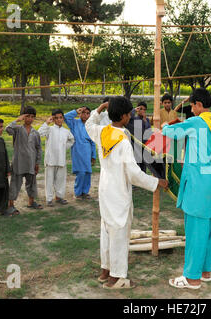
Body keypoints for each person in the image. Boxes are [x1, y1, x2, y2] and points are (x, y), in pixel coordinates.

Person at [86, 96, 168, 289]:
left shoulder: (102, 131)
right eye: (129, 113)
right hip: (119, 190)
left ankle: (105, 270)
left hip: (106, 188)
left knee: (107, 230)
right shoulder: (122, 141)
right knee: (120, 232)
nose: (131, 115)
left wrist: (100, 108)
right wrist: (156, 182)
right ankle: (117, 278)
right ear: (123, 116)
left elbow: (89, 124)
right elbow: (133, 173)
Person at [163, 88, 211, 290]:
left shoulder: (197, 122)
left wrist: (163, 125)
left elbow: (169, 132)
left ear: (198, 105)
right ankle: (205, 271)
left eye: (192, 105)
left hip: (199, 184)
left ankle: (191, 278)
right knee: (206, 230)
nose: (191, 108)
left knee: (195, 232)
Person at [6, 106, 43, 214]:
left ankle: (31, 202)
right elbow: (7, 129)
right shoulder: (17, 129)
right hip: (18, 162)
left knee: (31, 183)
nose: (30, 119)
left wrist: (37, 163)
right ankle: (11, 205)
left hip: (31, 163)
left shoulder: (35, 133)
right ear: (23, 116)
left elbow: (38, 148)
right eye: (27, 116)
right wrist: (17, 120)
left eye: (32, 117)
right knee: (15, 183)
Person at [38, 109, 75, 207]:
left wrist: (64, 147)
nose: (59, 120)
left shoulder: (66, 131)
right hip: (50, 159)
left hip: (61, 159)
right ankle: (49, 199)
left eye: (60, 118)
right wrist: (47, 122)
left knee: (61, 180)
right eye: (56, 118)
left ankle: (59, 197)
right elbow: (40, 133)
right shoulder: (49, 129)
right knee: (49, 180)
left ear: (63, 118)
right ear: (53, 119)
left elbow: (72, 140)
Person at [64, 106, 97, 200]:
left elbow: (93, 142)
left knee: (88, 172)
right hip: (77, 151)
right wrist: (75, 111)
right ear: (80, 114)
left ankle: (85, 192)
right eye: (83, 112)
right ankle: (78, 193)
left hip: (87, 152)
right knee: (81, 172)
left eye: (87, 113)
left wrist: (93, 155)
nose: (85, 115)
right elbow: (66, 117)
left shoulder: (90, 126)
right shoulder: (74, 123)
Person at [125, 101, 152, 172]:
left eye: (144, 109)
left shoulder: (147, 120)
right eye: (141, 109)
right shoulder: (132, 119)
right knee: (135, 168)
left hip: (143, 147)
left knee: (143, 169)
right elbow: (128, 116)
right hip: (134, 147)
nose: (142, 111)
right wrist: (134, 110)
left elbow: (148, 132)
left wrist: (145, 120)